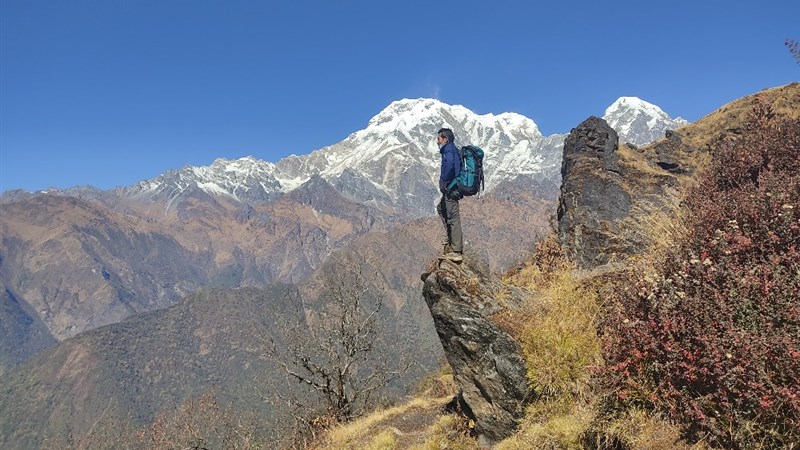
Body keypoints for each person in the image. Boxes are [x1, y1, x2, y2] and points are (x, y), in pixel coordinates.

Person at [436, 128, 463, 262]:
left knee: (453, 217)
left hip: (452, 187)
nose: (437, 141)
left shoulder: (449, 150)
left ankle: (457, 251)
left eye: (439, 138)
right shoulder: (450, 150)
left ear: (445, 139)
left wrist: (445, 181)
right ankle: (450, 237)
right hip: (451, 187)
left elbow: (450, 166)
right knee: (441, 208)